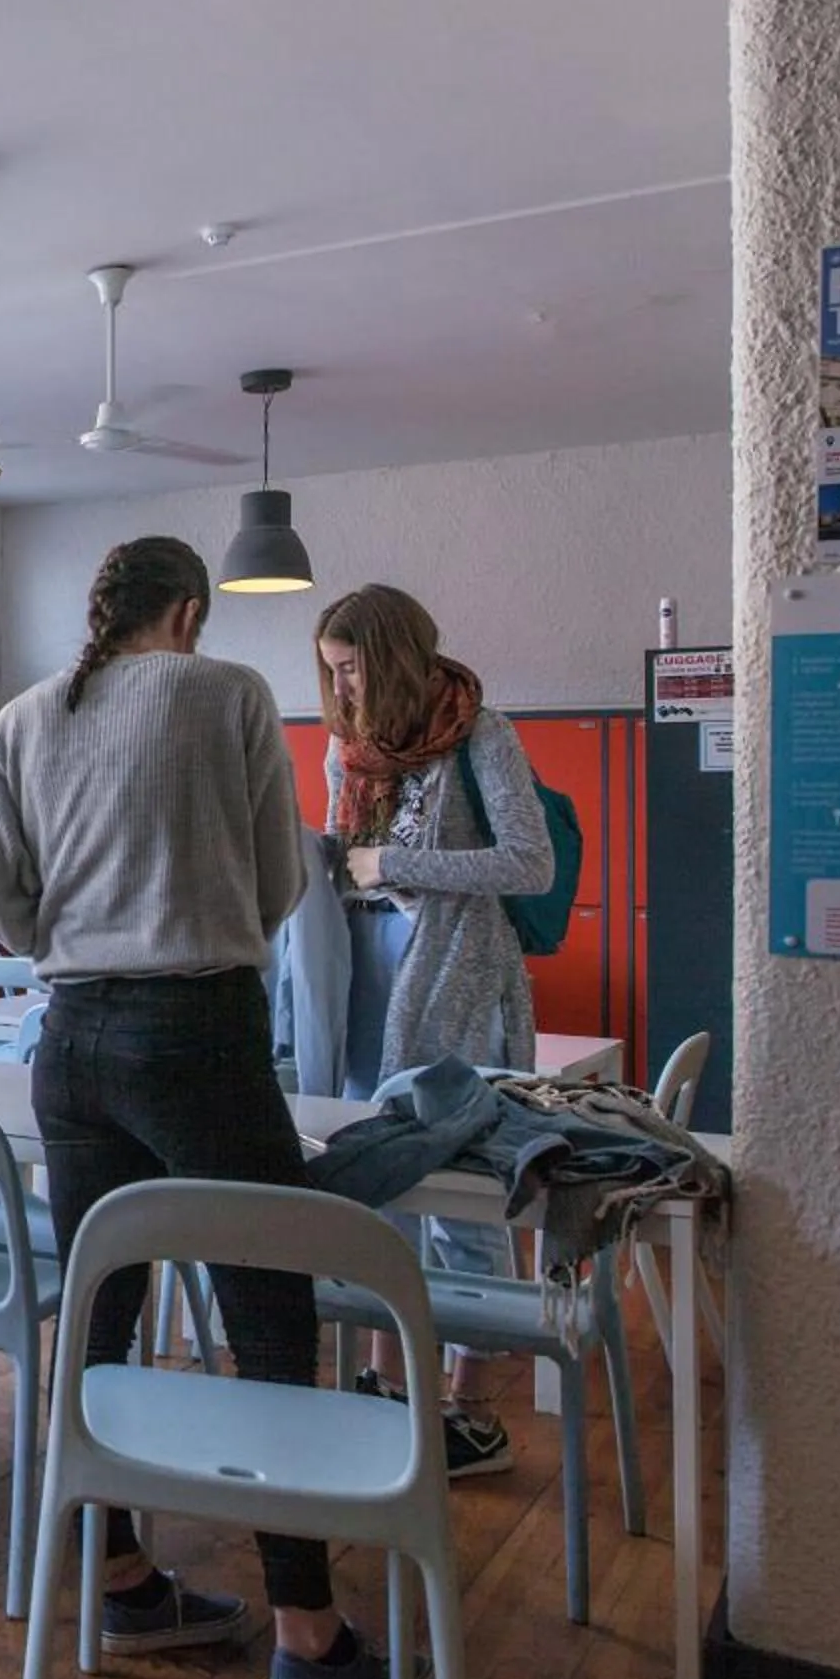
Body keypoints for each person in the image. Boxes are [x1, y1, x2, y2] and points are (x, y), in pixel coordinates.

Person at [0, 535, 414, 1679]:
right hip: (199, 1031)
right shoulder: (228, 694)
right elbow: (281, 878)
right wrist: (197, 916)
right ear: (192, 612)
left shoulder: (21, 717)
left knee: (101, 1307)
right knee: (268, 1307)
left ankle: (120, 1579)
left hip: (72, 1044)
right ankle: (308, 1630)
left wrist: (70, 937)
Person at [316, 583, 555, 1479]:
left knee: (460, 1192)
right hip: (367, 968)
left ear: (396, 655)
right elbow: (347, 856)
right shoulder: (351, 750)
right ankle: (391, 1385)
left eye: (353, 667)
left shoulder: (483, 734)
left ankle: (472, 1410)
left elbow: (530, 863)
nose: (341, 690)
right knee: (382, 1182)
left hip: (453, 973)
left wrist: (392, 860)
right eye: (331, 672)